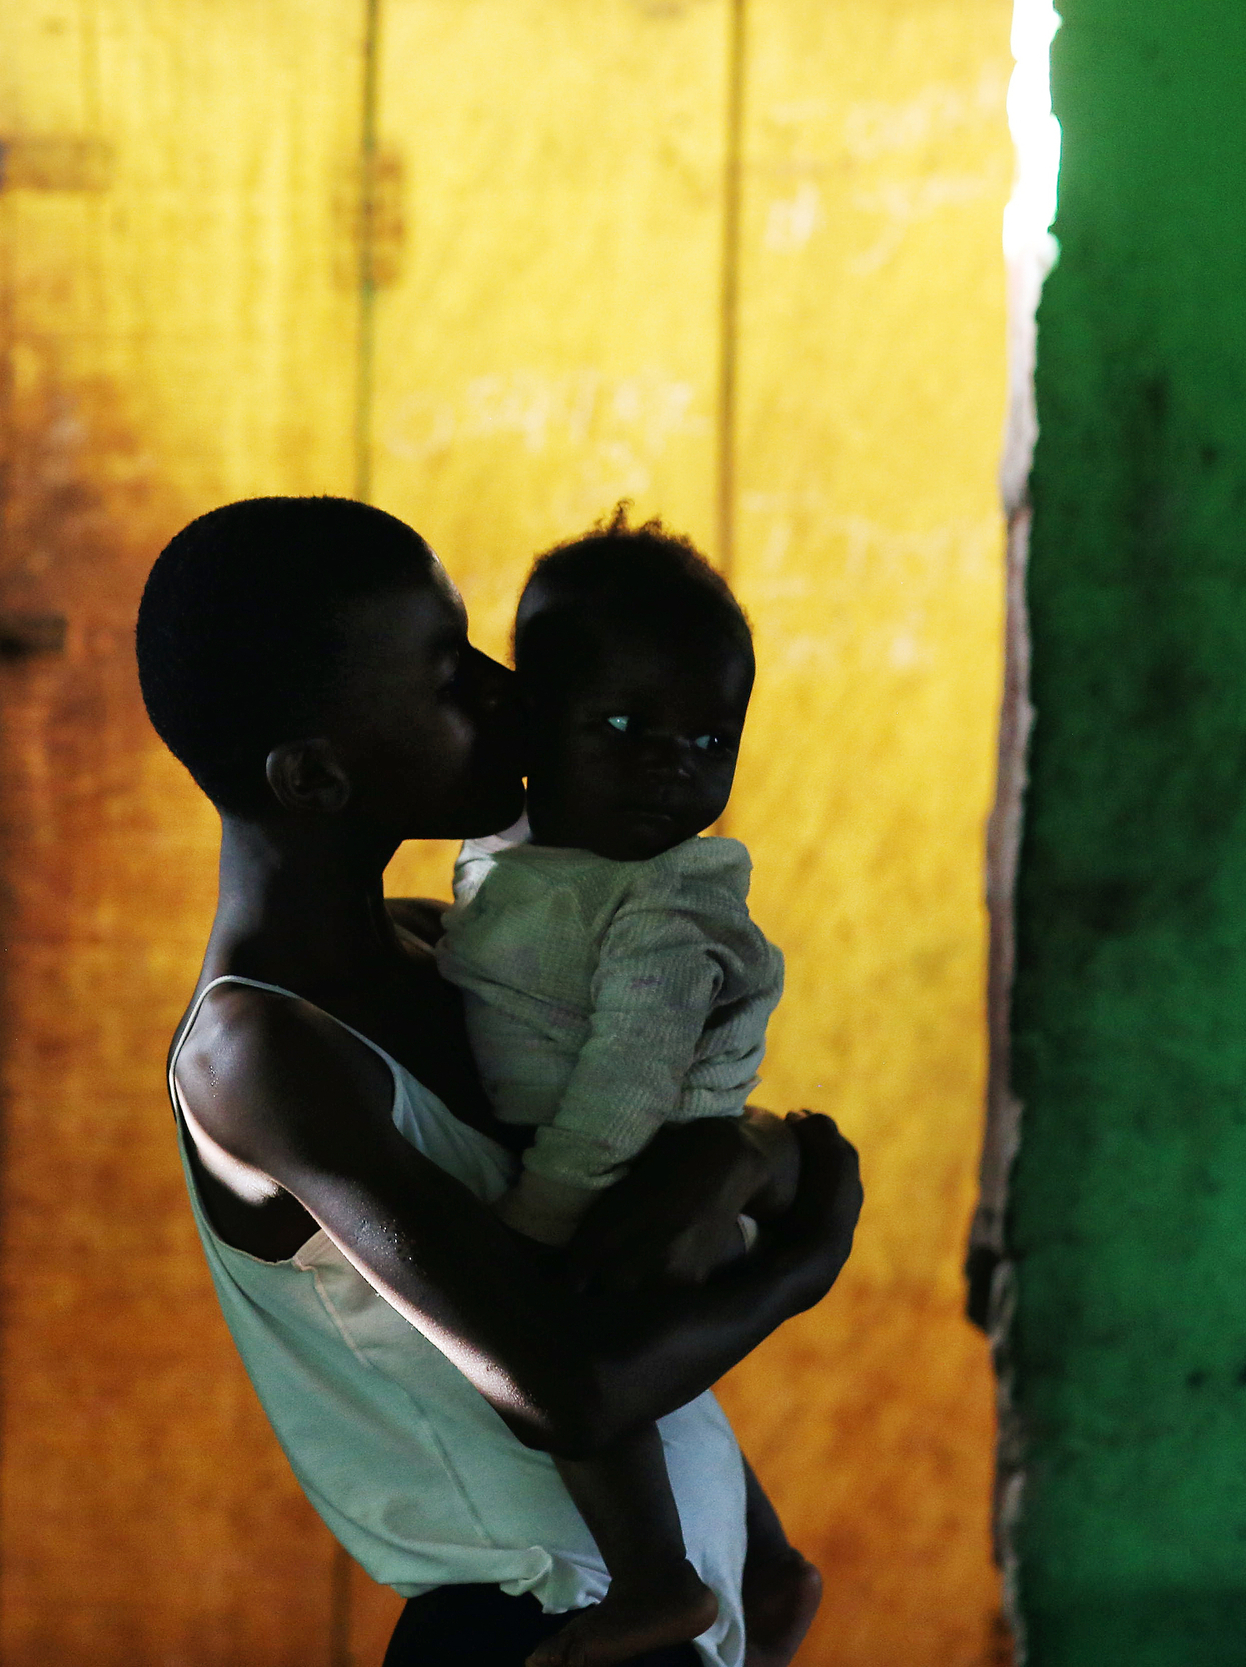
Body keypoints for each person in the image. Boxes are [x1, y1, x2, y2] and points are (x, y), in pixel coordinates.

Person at [134, 496, 858, 1667]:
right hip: (525, 1627)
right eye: (444, 676)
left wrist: (748, 1155)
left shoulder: (456, 950)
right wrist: (800, 1260)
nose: (504, 691)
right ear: (317, 776)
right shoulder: (256, 1058)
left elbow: (632, 1199)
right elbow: (566, 1388)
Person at [438, 512, 808, 1665]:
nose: (670, 762)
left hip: (643, 1177)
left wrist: (543, 1217)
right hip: (610, 1166)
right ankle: (774, 1572)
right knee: (654, 1398)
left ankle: (657, 1580)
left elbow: (629, 1074)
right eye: (621, 724)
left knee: (577, 1346)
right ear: (529, 726)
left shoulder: (667, 895)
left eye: (709, 738)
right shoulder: (530, 860)